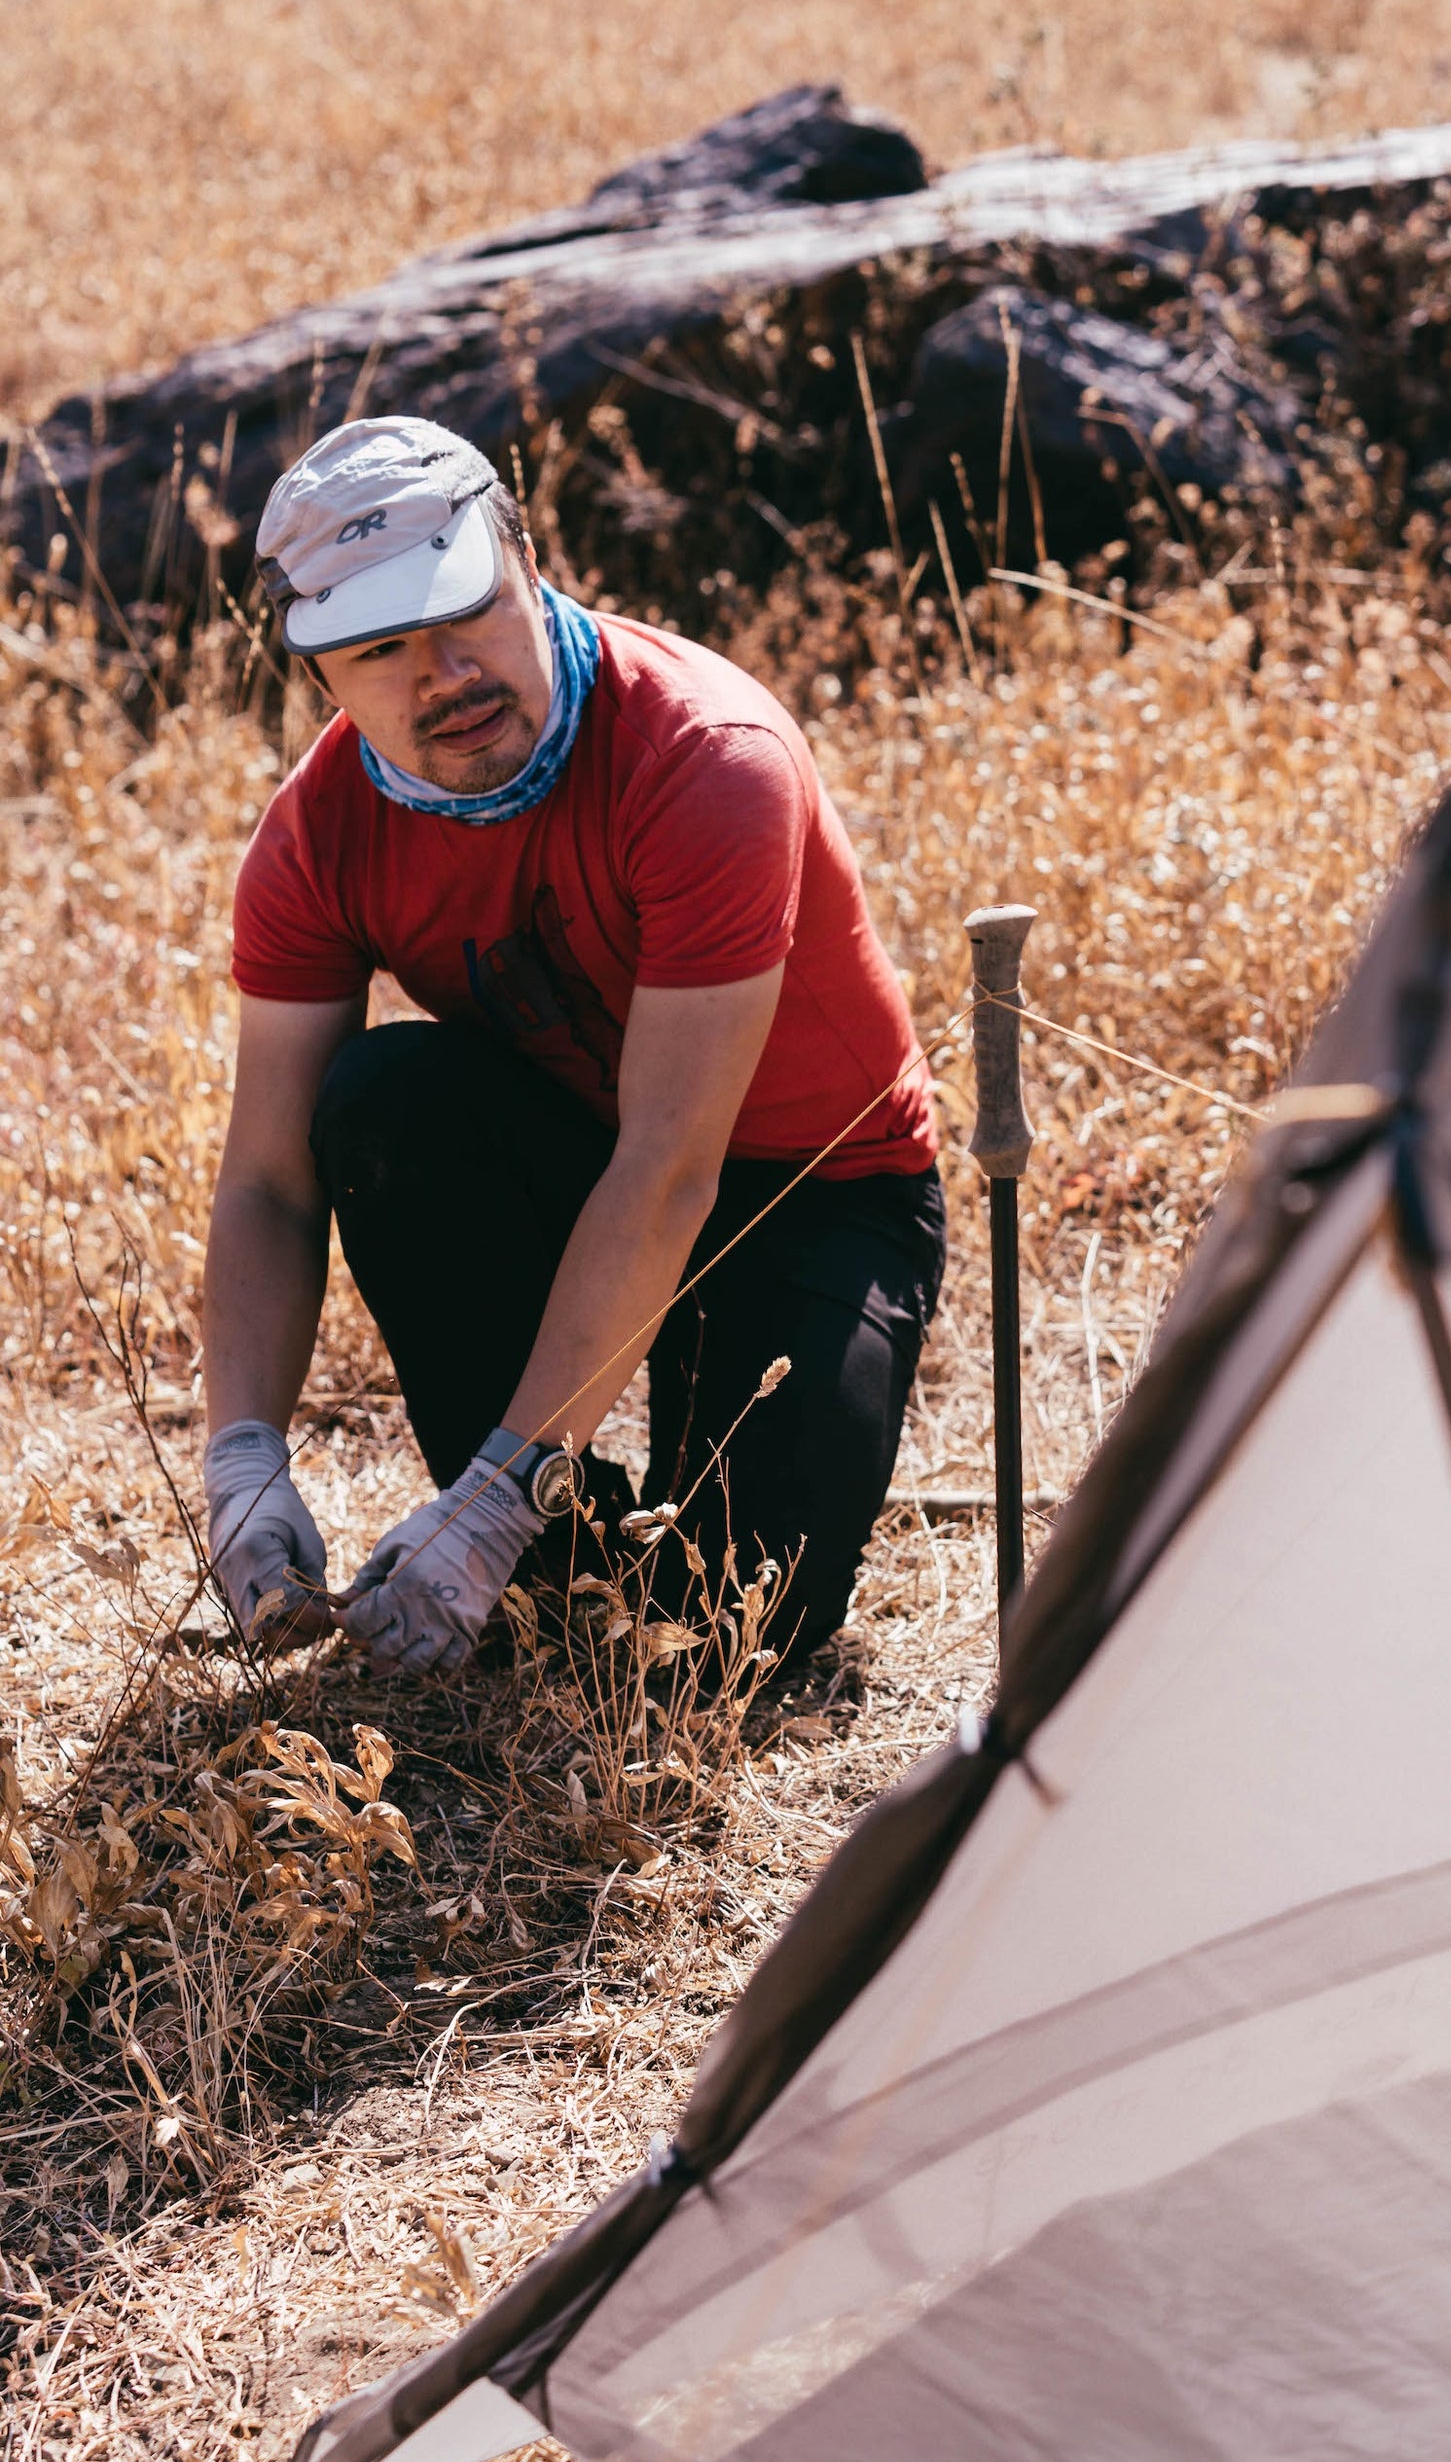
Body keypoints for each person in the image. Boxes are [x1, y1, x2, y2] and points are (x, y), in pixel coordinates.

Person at [201, 415, 944, 1681]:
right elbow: (270, 1178)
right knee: (384, 1097)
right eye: (382, 649)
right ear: (317, 672)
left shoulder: (705, 759)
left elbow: (670, 1166)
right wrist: (242, 1459)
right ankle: (538, 1535)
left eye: (465, 613)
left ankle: (513, 1497)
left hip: (810, 1192)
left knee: (720, 1643)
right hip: (574, 1159)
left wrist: (497, 1490)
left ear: (527, 559)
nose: (444, 674)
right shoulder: (315, 837)